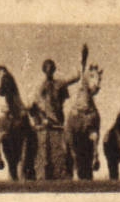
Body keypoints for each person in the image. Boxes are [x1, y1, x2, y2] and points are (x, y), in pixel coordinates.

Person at [31, 48, 86, 179]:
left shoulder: (59, 83)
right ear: (44, 70)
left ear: (54, 69)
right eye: (47, 68)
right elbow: (36, 104)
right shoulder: (40, 87)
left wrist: (82, 62)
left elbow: (76, 77)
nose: (49, 70)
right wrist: (41, 118)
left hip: (58, 122)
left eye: (51, 68)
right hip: (46, 123)